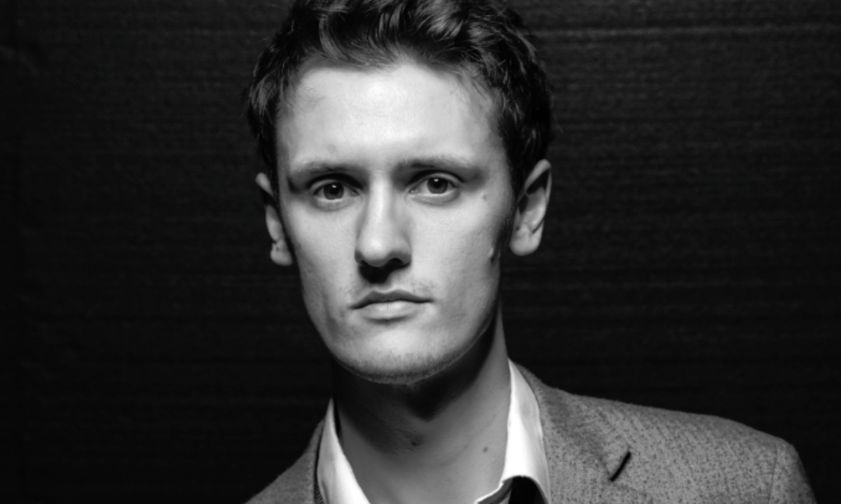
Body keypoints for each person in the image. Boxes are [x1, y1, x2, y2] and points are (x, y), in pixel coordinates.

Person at [243, 0, 815, 502]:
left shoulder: (745, 487)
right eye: (332, 189)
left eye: (436, 183)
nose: (378, 244)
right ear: (277, 223)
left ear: (527, 209)